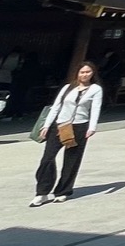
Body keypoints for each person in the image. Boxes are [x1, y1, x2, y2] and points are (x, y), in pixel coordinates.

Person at [31, 62, 104, 206]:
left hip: (79, 126)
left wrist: (92, 127)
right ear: (77, 73)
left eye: (88, 72)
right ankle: (42, 192)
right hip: (60, 125)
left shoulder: (95, 89)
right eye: (82, 72)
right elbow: (56, 106)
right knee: (47, 159)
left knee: (71, 160)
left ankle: (63, 191)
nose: (84, 75)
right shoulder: (68, 88)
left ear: (93, 73)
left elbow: (95, 108)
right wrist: (46, 125)